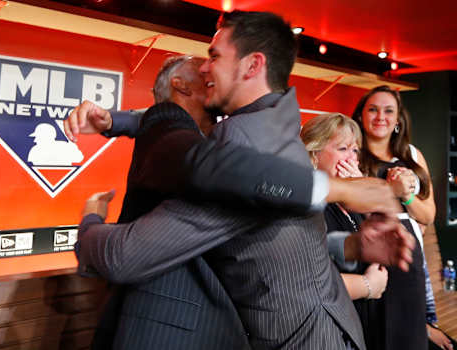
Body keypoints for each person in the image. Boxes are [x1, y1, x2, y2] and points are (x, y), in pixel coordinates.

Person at [68, 11, 415, 350]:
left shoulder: (238, 145)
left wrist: (89, 221)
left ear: (252, 65)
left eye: (214, 56)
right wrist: (117, 121)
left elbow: (125, 255)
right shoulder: (274, 118)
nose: (206, 67)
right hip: (330, 329)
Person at [83, 55, 252, 350]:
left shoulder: (211, 133)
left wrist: (113, 120)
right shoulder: (167, 126)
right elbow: (162, 117)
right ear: (181, 85)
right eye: (203, 71)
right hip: (169, 327)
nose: (211, 72)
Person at [351, 85, 435, 350]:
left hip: (407, 262)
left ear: (398, 119)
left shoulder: (412, 155)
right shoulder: (350, 152)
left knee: (407, 337)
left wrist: (407, 197)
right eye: (372, 109)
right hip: (365, 260)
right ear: (361, 115)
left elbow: (428, 214)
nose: (380, 117)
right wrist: (392, 191)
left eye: (388, 111)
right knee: (371, 336)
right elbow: (348, 207)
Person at [301, 113, 389, 350]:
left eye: (355, 150)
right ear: (314, 154)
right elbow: (306, 282)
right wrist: (367, 285)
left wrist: (364, 193)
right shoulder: (309, 207)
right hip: (333, 334)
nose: (352, 158)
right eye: (343, 149)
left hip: (369, 327)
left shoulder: (351, 199)